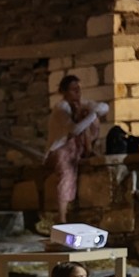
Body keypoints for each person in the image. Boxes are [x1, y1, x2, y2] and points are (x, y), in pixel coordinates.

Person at [47, 75, 108, 224]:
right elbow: (74, 129)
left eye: (78, 89)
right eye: (73, 90)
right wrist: (92, 114)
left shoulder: (82, 104)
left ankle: (89, 148)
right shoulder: (61, 108)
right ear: (64, 92)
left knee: (90, 117)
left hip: (77, 148)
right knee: (66, 175)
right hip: (61, 149)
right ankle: (61, 217)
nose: (77, 92)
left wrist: (92, 112)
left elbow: (104, 107)